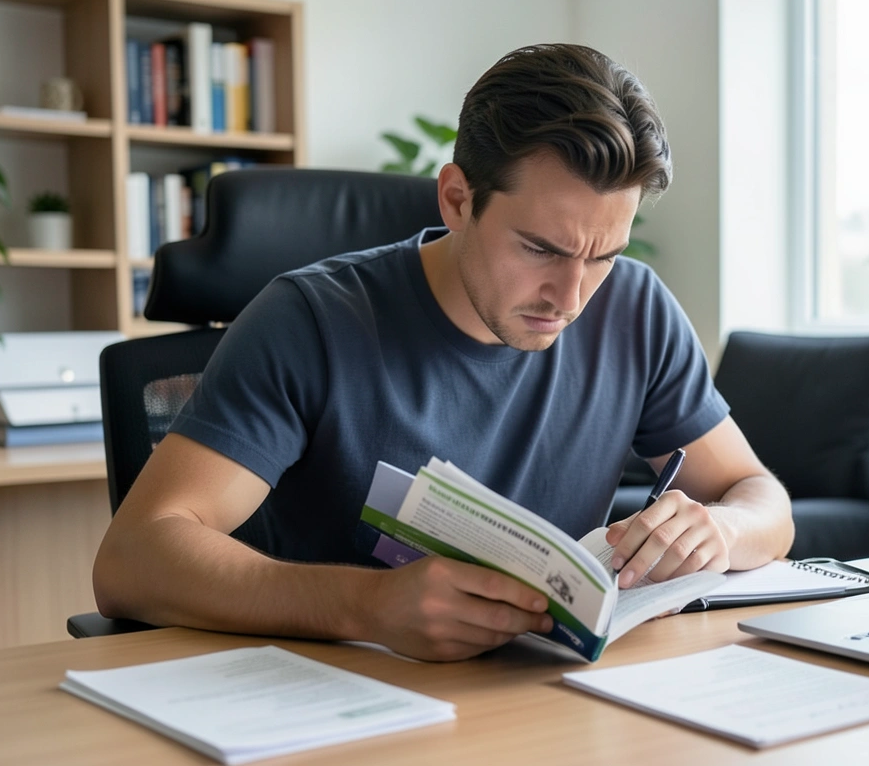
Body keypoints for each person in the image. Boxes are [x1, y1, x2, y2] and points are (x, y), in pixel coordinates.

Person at [93, 43, 794, 661]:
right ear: (457, 199)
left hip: (548, 705)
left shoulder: (635, 311)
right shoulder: (309, 321)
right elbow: (133, 560)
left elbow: (763, 500)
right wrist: (365, 607)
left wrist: (719, 531)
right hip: (341, 701)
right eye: (541, 249)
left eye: (605, 255)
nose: (571, 297)